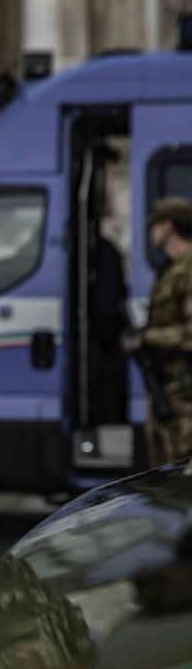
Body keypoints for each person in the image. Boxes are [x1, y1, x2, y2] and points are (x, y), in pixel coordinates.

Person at [124, 196, 192, 467]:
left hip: (185, 399)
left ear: (168, 227)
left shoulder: (188, 270)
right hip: (170, 395)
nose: (150, 231)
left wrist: (146, 338)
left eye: (155, 224)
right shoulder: (172, 270)